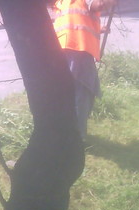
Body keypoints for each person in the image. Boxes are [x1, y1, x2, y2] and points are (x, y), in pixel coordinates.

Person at [52, 0, 117, 140]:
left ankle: (69, 133)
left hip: (64, 49)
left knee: (72, 93)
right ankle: (77, 137)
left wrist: (99, 29)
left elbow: (75, 23)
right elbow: (98, 5)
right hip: (78, 50)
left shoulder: (62, 2)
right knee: (82, 92)